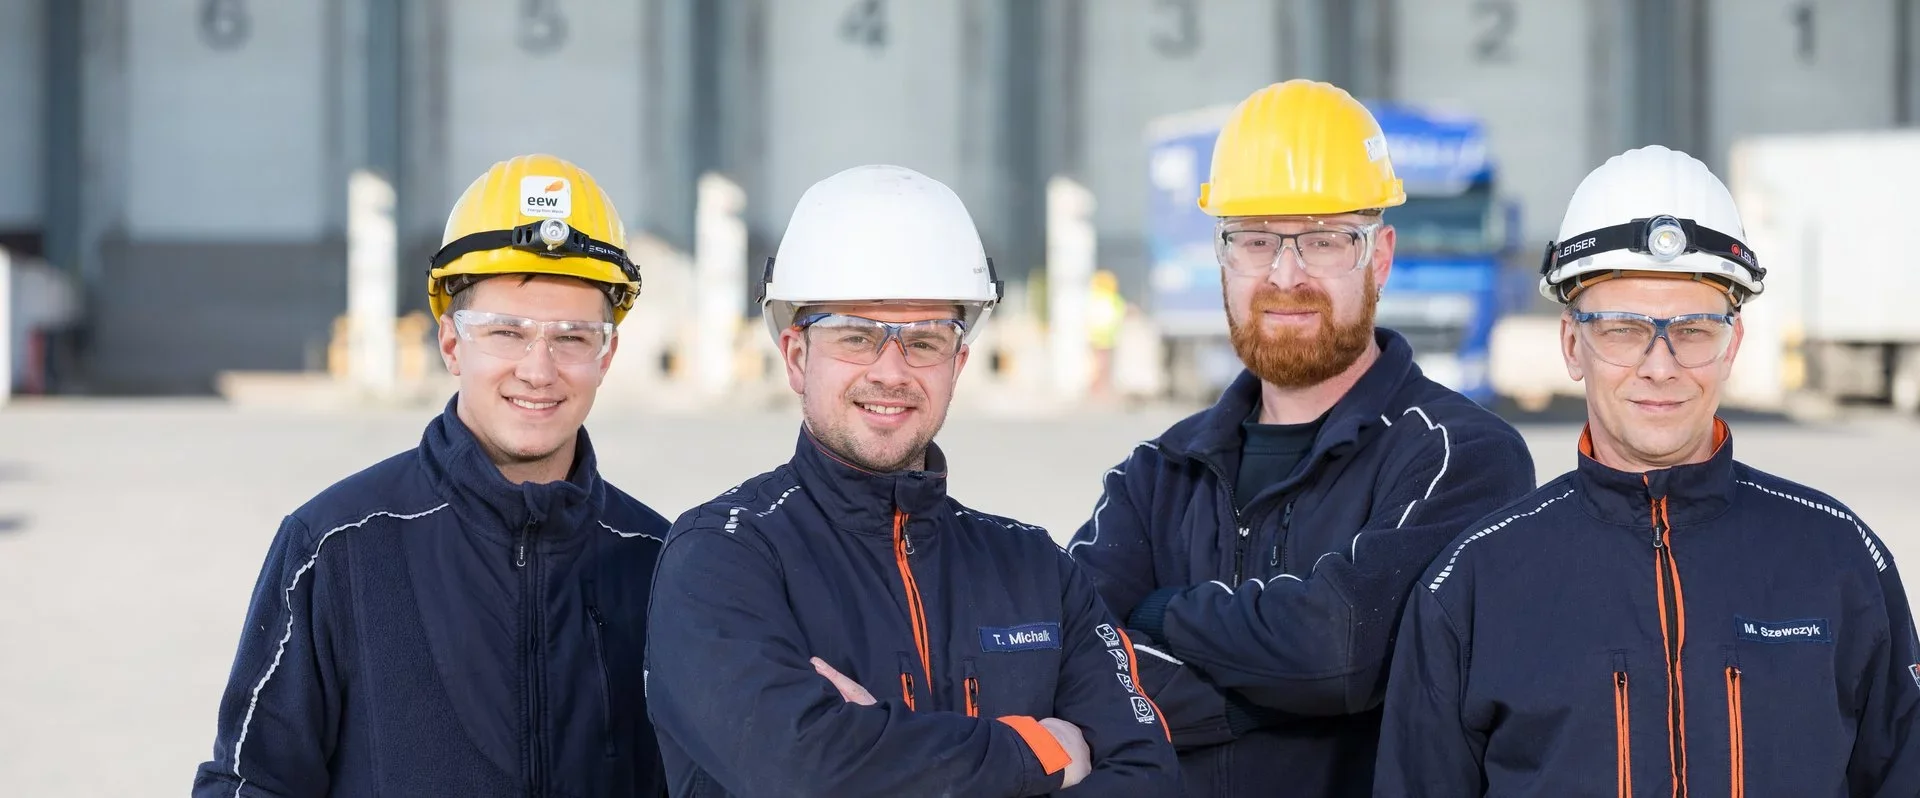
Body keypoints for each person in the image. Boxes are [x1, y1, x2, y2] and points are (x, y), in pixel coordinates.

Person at [1373, 144, 1920, 796]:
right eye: (1623, 329)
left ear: (1732, 347)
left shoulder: (1839, 559)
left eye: (1693, 330)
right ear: (1573, 344)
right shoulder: (1472, 585)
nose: (1660, 366)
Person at [1063, 79, 1538, 797]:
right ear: (1223, 257)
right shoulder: (1157, 475)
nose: (1286, 276)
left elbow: (1340, 648)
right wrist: (1280, 693)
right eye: (1255, 241)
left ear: (1379, 257)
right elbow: (1069, 657)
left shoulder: (1459, 458)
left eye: (1323, 240)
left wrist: (1160, 614)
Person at [643, 164, 1181, 797]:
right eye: (857, 338)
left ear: (958, 362)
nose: (891, 372)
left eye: (924, 342)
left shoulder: (1036, 569)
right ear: (796, 357)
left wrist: (873, 748)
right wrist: (1035, 751)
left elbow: (1147, 777)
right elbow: (805, 771)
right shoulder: (722, 558)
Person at [193, 154, 671, 797]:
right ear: (451, 344)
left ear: (605, 356)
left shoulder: (662, 563)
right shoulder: (336, 548)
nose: (538, 370)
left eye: (572, 337)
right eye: (506, 332)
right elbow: (253, 784)